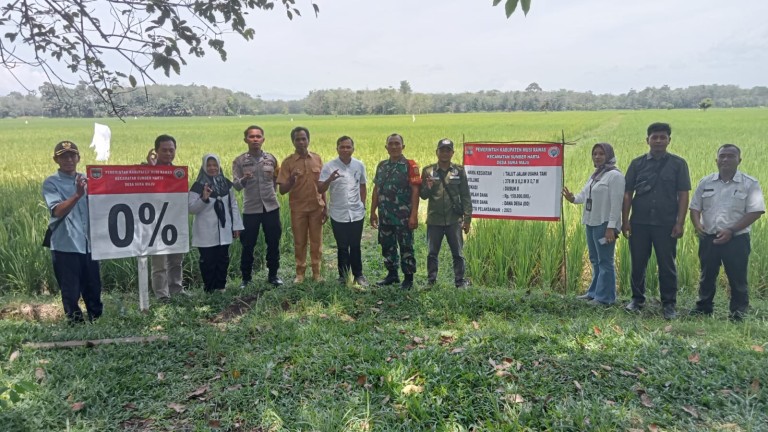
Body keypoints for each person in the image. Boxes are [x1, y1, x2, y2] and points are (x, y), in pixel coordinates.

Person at [622, 123, 691, 319]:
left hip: (666, 223)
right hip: (640, 223)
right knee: (638, 263)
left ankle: (669, 304)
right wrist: (625, 220)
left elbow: (683, 194)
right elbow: (628, 194)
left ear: (669, 140)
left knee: (667, 264)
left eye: (663, 137)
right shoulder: (637, 164)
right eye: (655, 137)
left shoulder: (679, 164)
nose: (659, 140)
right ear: (647, 140)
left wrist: (680, 222)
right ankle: (637, 299)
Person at [689, 144, 764, 321]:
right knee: (707, 275)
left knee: (737, 277)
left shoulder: (750, 183)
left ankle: (738, 312)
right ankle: (704, 307)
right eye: (722, 156)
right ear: (716, 160)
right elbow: (694, 207)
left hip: (737, 239)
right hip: (709, 238)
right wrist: (697, 225)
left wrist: (731, 230)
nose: (726, 160)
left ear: (739, 160)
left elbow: (756, 211)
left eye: (731, 156)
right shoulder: (705, 182)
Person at [42, 141, 103, 323]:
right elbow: (57, 210)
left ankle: (97, 322)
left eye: (72, 155)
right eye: (63, 156)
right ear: (56, 160)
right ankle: (76, 325)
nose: (68, 159)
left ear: (78, 158)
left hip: (89, 244)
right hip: (65, 245)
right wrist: (77, 194)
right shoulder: (51, 183)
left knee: (93, 287)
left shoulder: (88, 179)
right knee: (70, 291)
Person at [562, 143, 625, 306]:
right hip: (591, 221)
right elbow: (584, 195)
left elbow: (617, 204)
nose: (597, 157)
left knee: (605, 261)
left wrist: (612, 227)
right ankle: (594, 293)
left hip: (605, 224)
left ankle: (606, 298)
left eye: (601, 154)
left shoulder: (615, 176)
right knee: (595, 259)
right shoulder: (596, 174)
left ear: (609, 155)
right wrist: (573, 199)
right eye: (594, 154)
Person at [232, 125, 284, 288]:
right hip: (251, 209)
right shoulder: (240, 161)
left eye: (258, 136)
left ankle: (273, 275)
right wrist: (244, 180)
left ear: (263, 139)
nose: (255, 139)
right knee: (248, 244)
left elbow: (276, 179)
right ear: (246, 140)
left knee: (273, 242)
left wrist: (272, 193)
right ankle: (246, 278)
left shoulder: (271, 159)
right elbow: (237, 186)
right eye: (251, 137)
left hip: (271, 207)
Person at [370, 133, 421, 290]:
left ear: (403, 146)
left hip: (403, 216)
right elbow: (377, 189)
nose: (394, 147)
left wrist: (413, 215)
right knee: (387, 245)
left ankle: (408, 278)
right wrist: (373, 211)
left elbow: (415, 191)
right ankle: (392, 274)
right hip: (385, 215)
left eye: (397, 143)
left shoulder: (410, 166)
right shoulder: (382, 166)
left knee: (406, 247)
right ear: (386, 147)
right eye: (390, 144)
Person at [419, 138, 472, 288]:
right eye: (442, 150)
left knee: (458, 253)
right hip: (434, 220)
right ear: (437, 152)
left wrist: (467, 219)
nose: (444, 153)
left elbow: (466, 195)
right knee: (432, 253)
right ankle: (431, 281)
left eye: (448, 150)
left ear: (452, 153)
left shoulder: (459, 171)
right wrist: (428, 187)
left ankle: (460, 281)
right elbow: (423, 195)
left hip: (453, 220)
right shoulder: (428, 171)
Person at [277, 127, 327, 283]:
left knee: (316, 241)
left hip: (316, 207)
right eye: (297, 139)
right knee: (299, 242)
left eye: (303, 138)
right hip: (298, 208)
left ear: (308, 140)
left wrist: (325, 205)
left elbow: (322, 184)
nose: (301, 142)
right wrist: (291, 179)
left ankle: (317, 273)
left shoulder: (317, 159)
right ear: (293, 141)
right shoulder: (288, 162)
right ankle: (300, 273)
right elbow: (282, 190)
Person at [318, 136, 369, 286]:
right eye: (342, 147)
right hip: (338, 213)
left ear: (353, 149)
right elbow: (320, 188)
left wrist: (363, 204)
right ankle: (343, 276)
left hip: (356, 212)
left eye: (348, 147)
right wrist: (330, 179)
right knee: (342, 246)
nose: (345, 150)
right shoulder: (329, 166)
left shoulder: (359, 165)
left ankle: (358, 275)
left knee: (355, 245)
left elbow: (363, 186)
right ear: (337, 149)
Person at [189, 154, 244, 293]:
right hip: (205, 230)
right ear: (204, 166)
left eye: (215, 165)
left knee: (222, 259)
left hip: (224, 229)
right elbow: (190, 208)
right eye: (209, 165)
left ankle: (221, 287)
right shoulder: (198, 186)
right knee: (208, 261)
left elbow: (233, 205)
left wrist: (236, 226)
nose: (212, 168)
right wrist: (203, 198)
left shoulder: (226, 183)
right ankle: (209, 289)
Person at [146, 134, 186, 302]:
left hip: (175, 221)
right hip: (155, 223)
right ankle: (162, 295)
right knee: (159, 261)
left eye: (171, 150)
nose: (168, 153)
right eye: (164, 150)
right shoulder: (146, 170)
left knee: (176, 259)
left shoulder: (178, 173)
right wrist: (152, 169)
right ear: (156, 151)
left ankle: (176, 289)